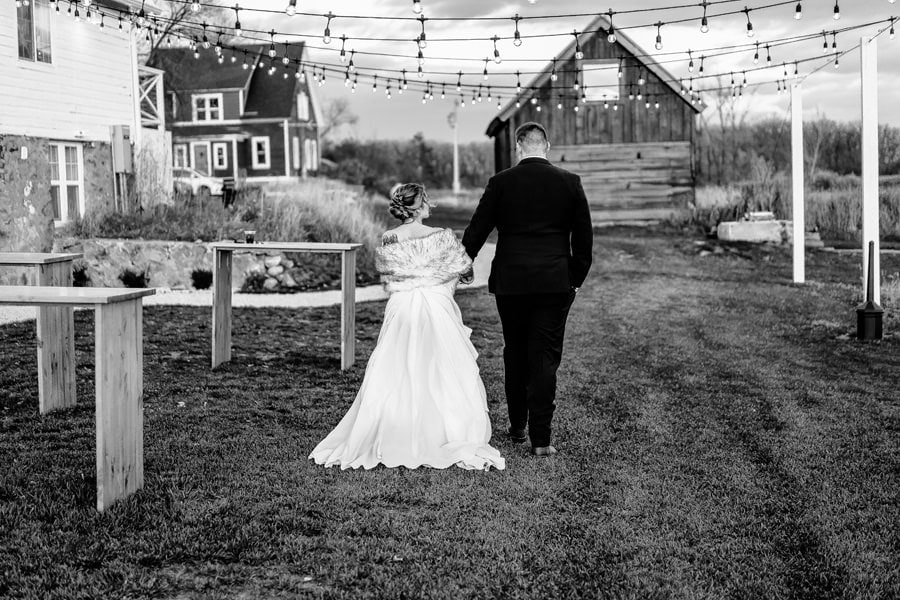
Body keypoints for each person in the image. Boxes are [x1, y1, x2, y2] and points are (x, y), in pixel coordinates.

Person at [309, 183, 505, 471]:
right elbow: (466, 273)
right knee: (441, 368)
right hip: (436, 307)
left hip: (402, 306)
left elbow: (389, 276)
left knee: (397, 366)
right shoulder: (441, 236)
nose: (430, 204)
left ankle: (397, 427)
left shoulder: (389, 238)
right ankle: (445, 431)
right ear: (421, 205)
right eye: (426, 199)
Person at [461, 122, 593, 457]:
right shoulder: (570, 183)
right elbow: (584, 241)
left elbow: (477, 230)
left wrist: (465, 263)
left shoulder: (501, 183)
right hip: (554, 282)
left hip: (511, 282)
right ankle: (542, 440)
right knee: (545, 356)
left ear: (519, 146)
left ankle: (518, 425)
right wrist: (573, 279)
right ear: (546, 145)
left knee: (515, 350)